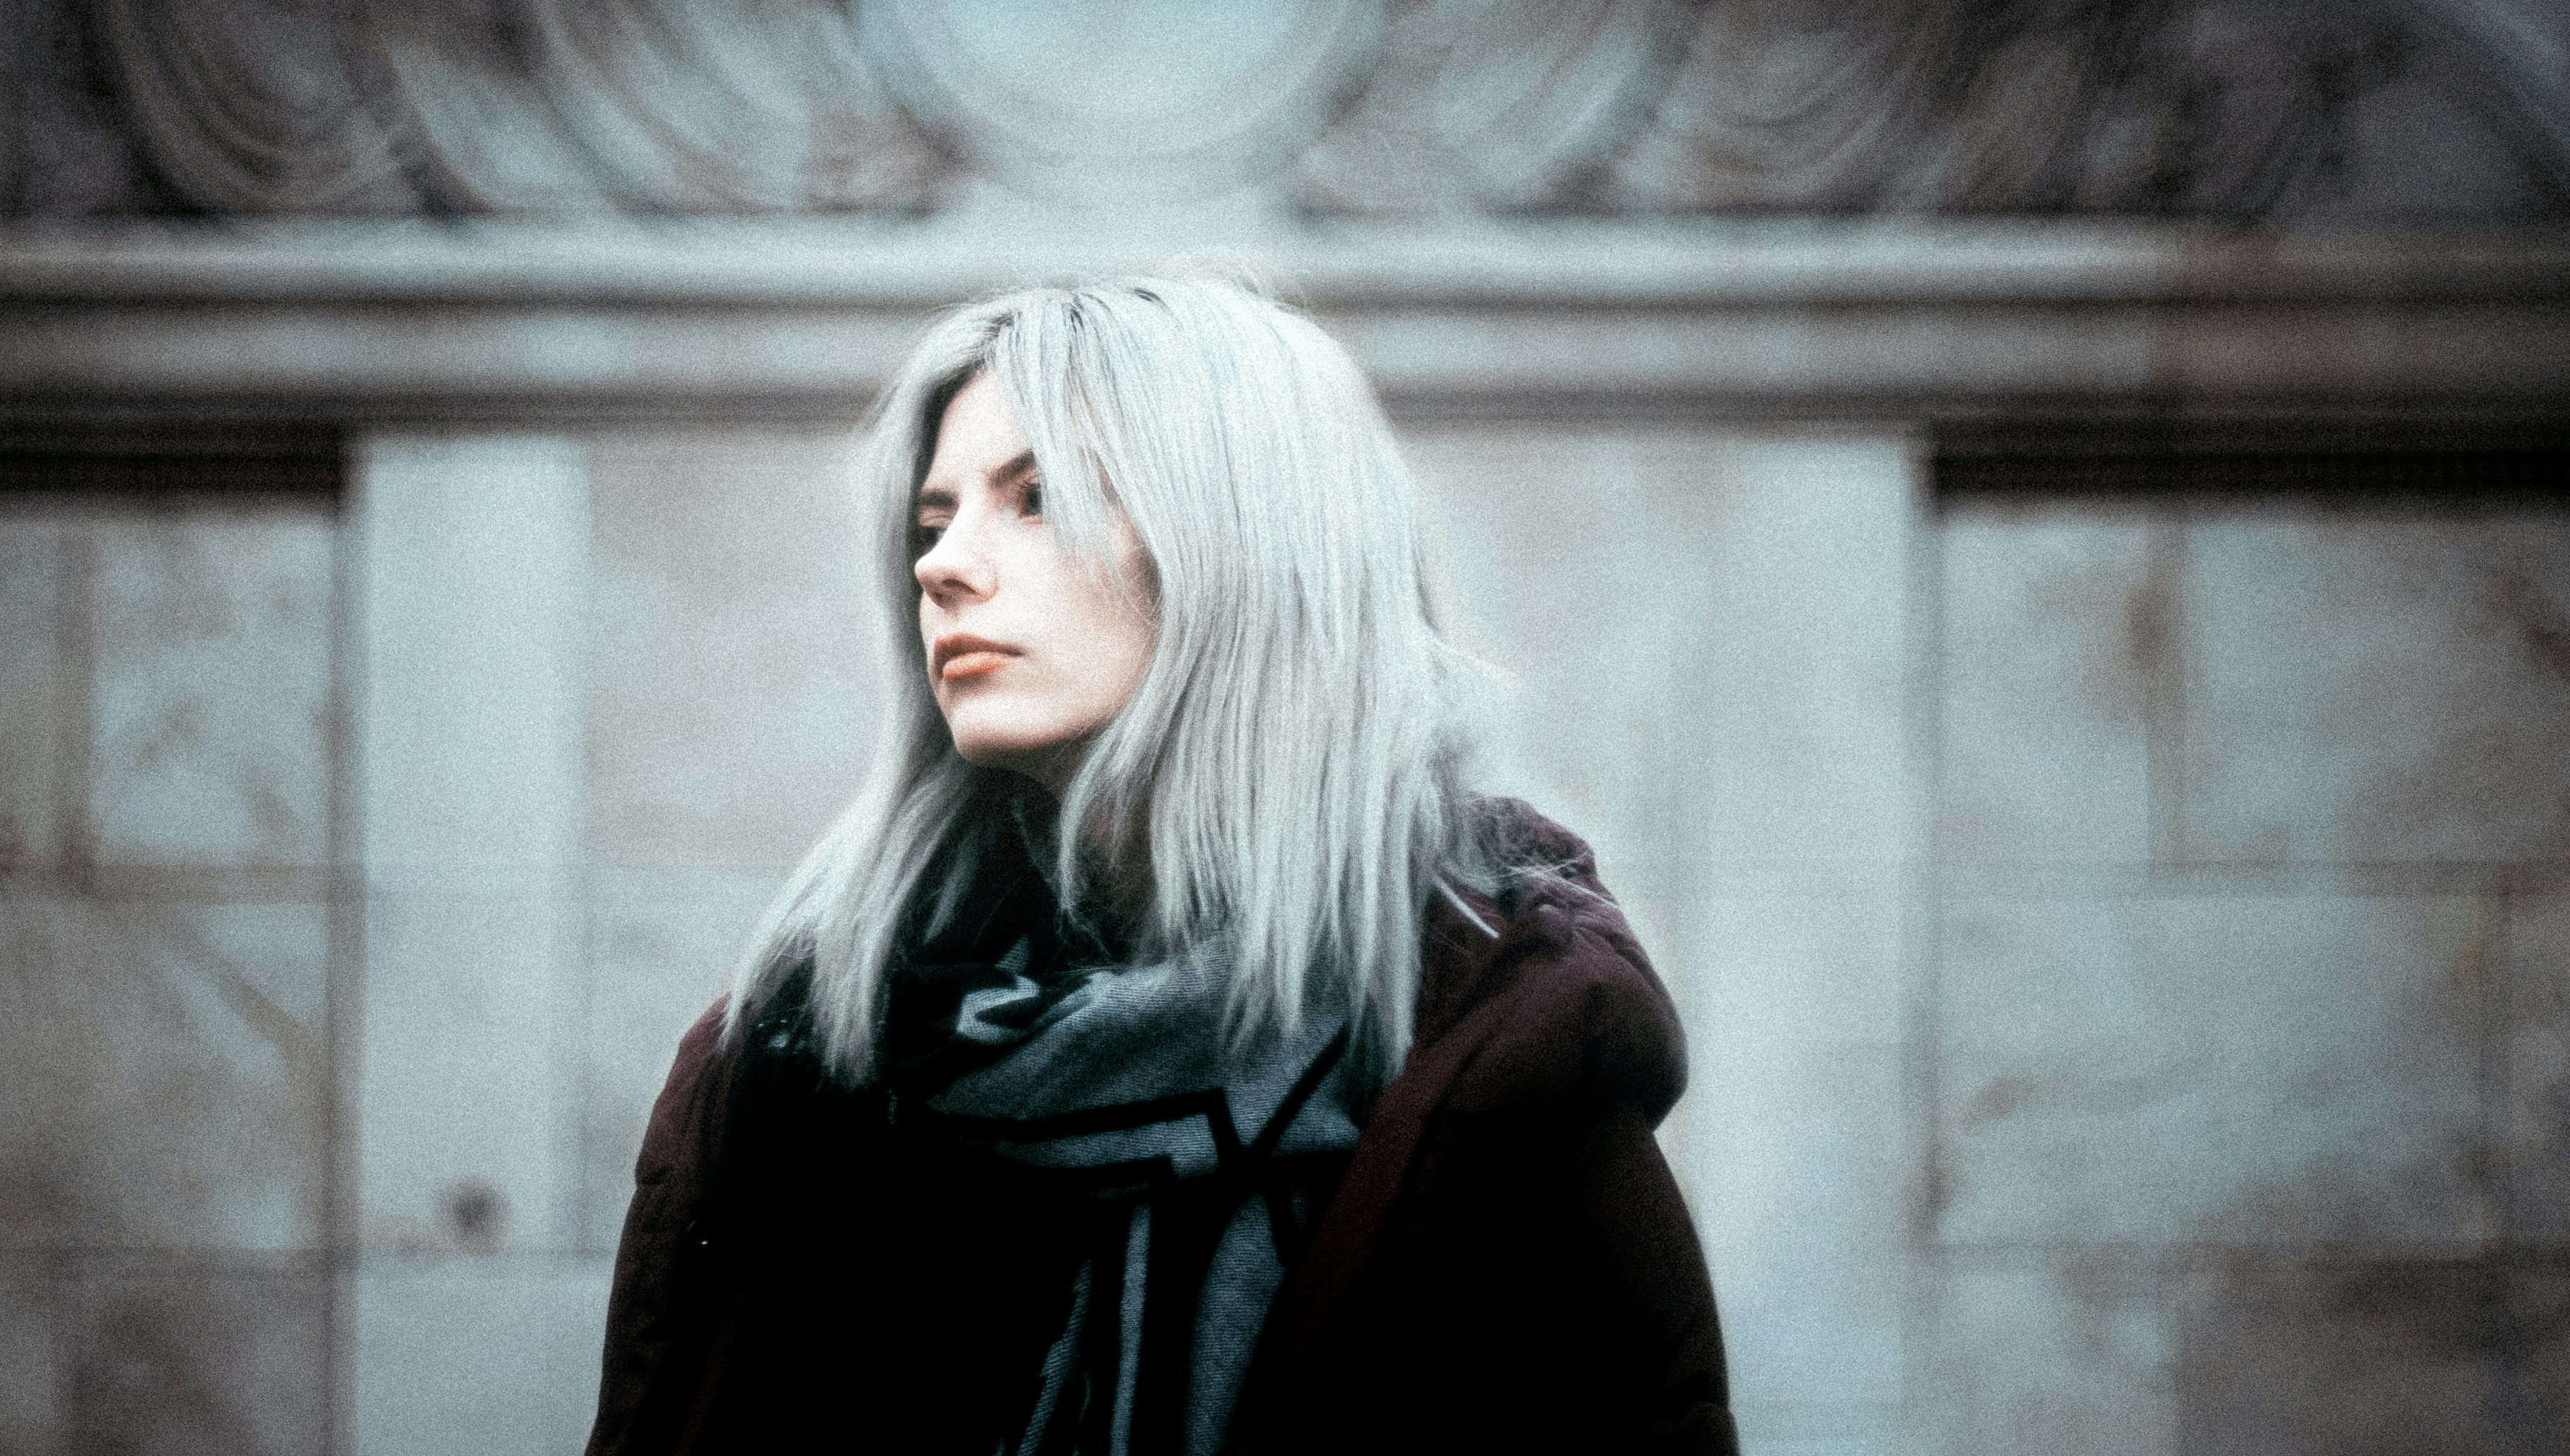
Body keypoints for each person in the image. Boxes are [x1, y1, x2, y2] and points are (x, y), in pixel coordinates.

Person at [585, 270, 1735, 1456]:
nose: (942, 566)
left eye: (1035, 498)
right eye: (934, 521)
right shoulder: (801, 1059)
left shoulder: (1499, 1060)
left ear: (1245, 546)